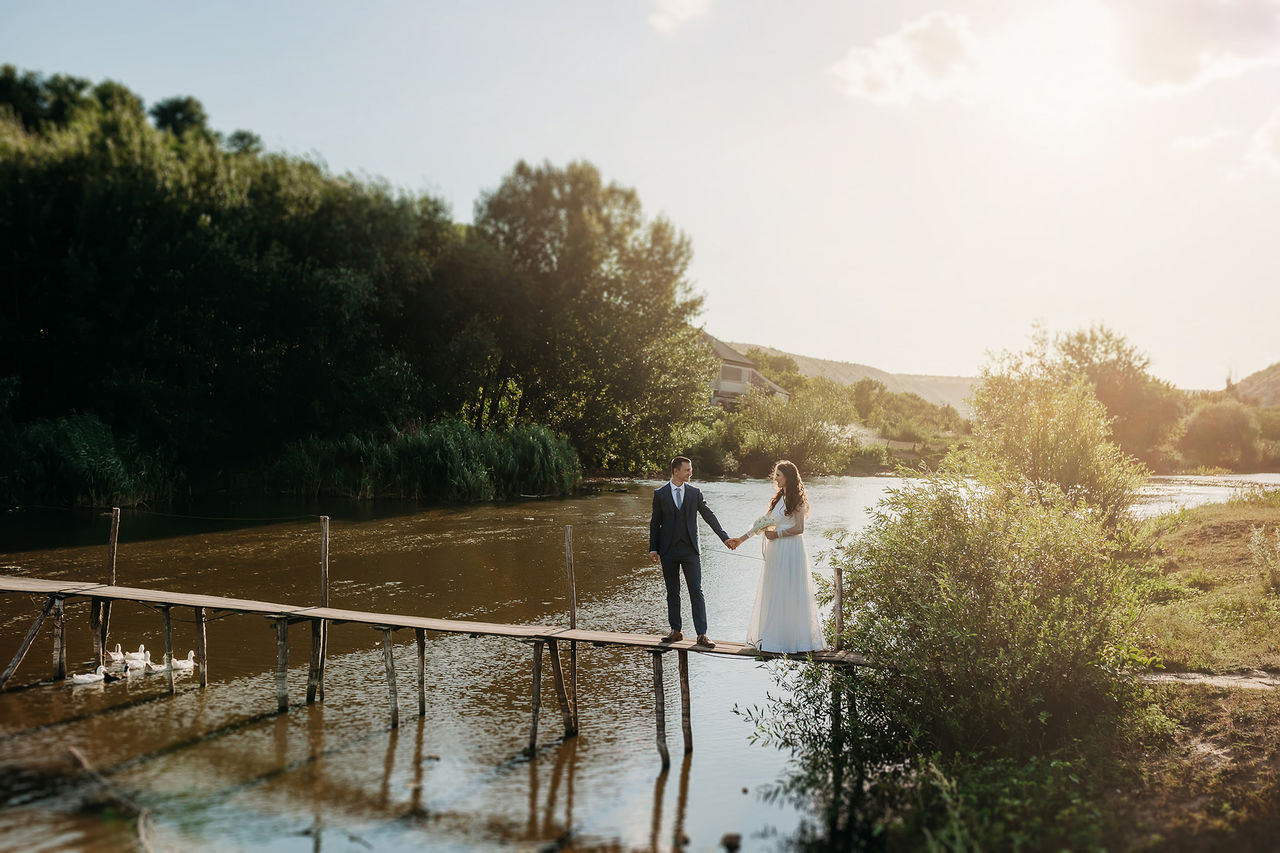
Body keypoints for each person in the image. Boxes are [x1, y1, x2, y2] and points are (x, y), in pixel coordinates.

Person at [726, 460, 826, 654]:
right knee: (774, 590)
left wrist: (778, 534)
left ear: (787, 476)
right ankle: (774, 638)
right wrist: (740, 539)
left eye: (778, 476)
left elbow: (799, 528)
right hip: (775, 551)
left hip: (790, 550)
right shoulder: (779, 498)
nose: (775, 479)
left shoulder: (798, 500)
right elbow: (761, 525)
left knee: (790, 591)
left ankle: (795, 641)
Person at [649, 456, 736, 648]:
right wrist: (653, 548)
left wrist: (724, 538)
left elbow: (708, 516)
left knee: (696, 591)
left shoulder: (694, 493)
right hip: (668, 550)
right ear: (676, 471)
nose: (690, 472)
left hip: (690, 550)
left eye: (690, 469)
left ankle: (702, 634)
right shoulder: (660, 494)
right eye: (687, 469)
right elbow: (655, 522)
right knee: (672, 592)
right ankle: (675, 630)